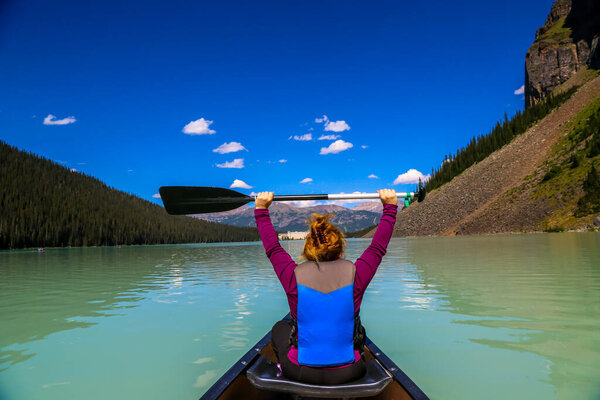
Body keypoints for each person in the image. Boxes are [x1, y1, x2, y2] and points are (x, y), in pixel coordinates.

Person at [254, 189, 398, 385]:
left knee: (280, 328)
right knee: (359, 329)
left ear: (308, 251)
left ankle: (284, 370)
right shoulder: (357, 274)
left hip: (300, 371)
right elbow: (377, 248)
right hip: (351, 371)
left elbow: (273, 249)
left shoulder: (292, 275)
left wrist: (261, 209)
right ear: (340, 250)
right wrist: (390, 207)